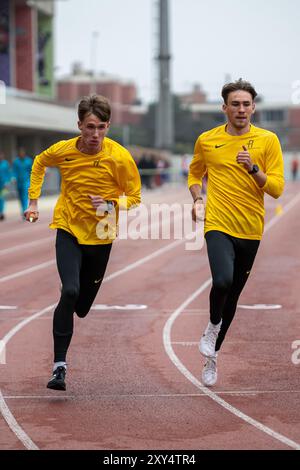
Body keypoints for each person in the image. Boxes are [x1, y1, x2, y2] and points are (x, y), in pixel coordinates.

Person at [25, 95, 141, 391]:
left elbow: (135, 197)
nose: (95, 135)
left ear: (108, 126)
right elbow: (40, 162)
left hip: (102, 231)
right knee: (71, 291)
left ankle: (73, 291)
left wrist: (112, 201)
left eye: (101, 127)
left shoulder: (120, 157)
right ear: (79, 125)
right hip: (68, 227)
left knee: (83, 306)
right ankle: (59, 367)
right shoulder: (63, 151)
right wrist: (34, 201)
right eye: (90, 127)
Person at [188, 79, 284, 387]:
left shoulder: (268, 140)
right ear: (225, 108)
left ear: (253, 107)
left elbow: (278, 190)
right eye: (235, 104)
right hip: (217, 222)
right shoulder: (207, 140)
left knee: (233, 297)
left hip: (251, 228)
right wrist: (197, 197)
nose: (241, 109)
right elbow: (195, 172)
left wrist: (254, 169)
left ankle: (211, 356)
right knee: (223, 280)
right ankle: (212, 325)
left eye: (246, 104)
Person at [12, 147, 33, 218]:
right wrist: (13, 177)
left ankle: (25, 211)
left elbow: (32, 170)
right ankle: (23, 210)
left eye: (22, 153)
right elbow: (13, 171)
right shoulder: (16, 161)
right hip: (18, 182)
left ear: (24, 153)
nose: (21, 154)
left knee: (24, 196)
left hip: (26, 181)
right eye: (20, 153)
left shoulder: (28, 161)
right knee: (20, 197)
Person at [0, 150, 11, 220]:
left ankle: (1, 212)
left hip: (4, 184)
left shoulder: (6, 164)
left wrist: (7, 182)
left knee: (2, 198)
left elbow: (9, 173)